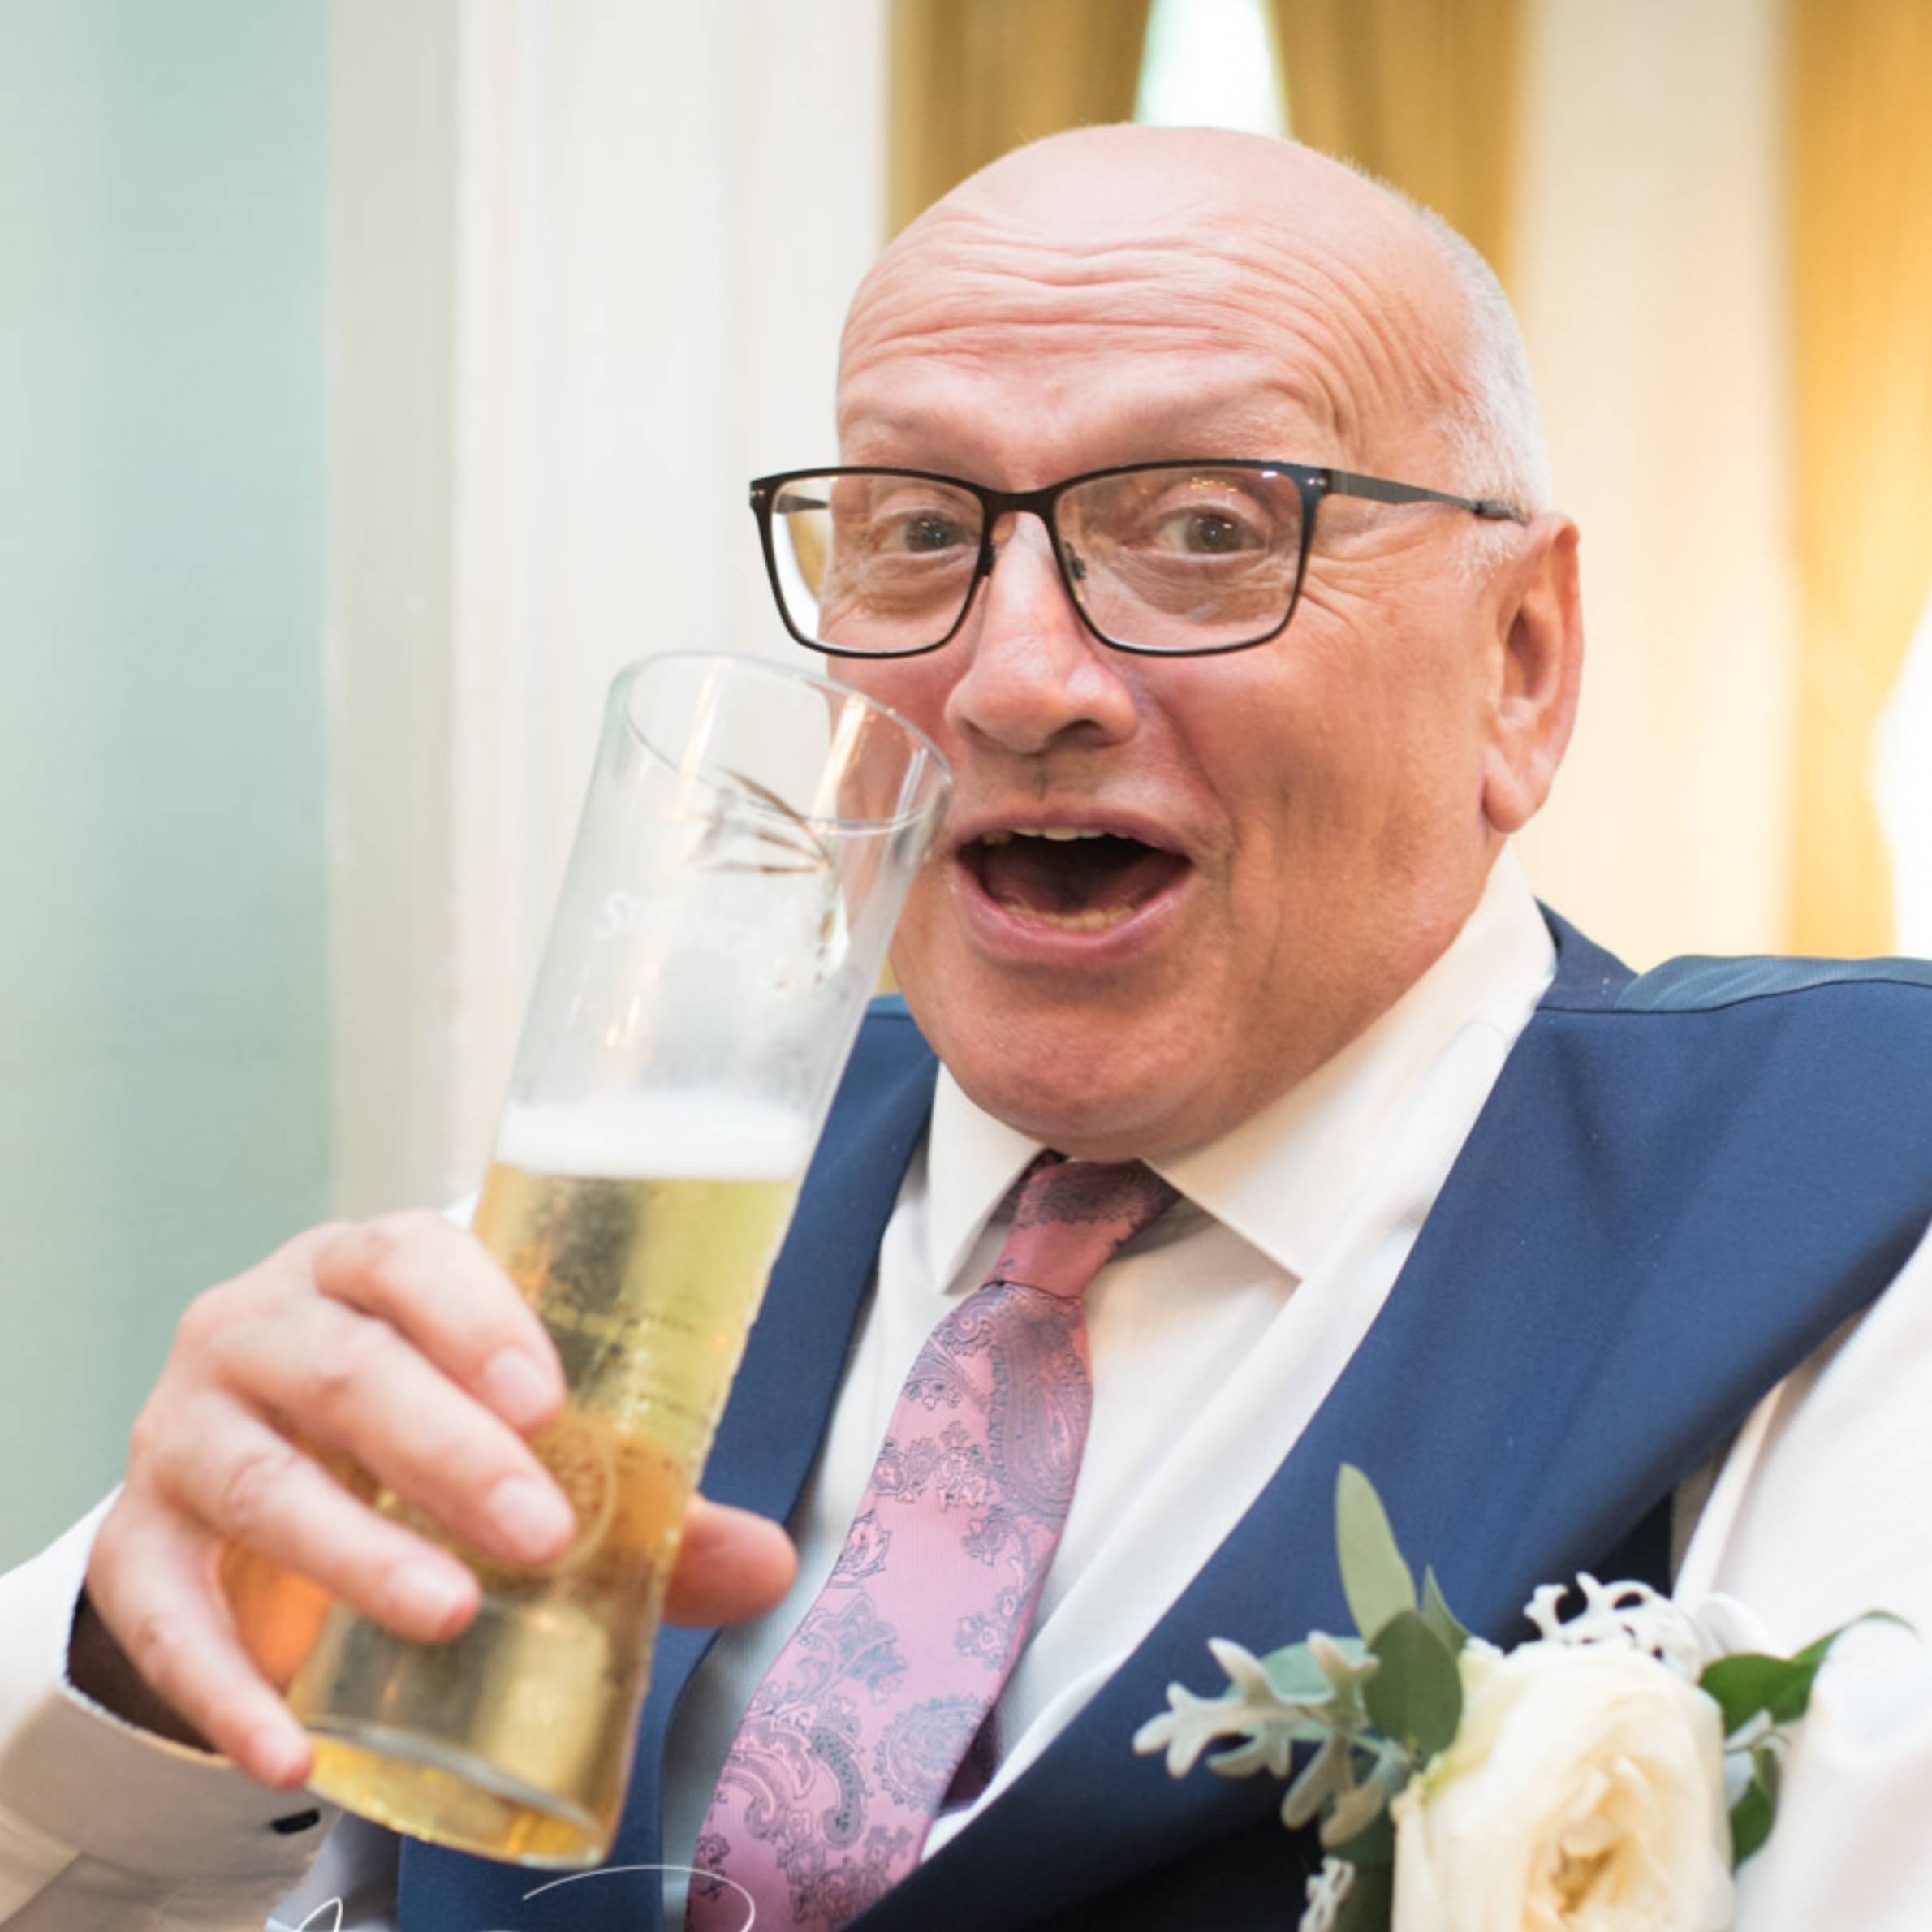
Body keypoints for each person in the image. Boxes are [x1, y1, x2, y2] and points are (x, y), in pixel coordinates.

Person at [2, 124, 1930, 1932]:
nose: (1014, 679)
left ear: (1519, 663)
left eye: (1200, 523)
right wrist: (146, 1665)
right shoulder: (639, 1187)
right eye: (917, 530)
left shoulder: (1848, 1216)